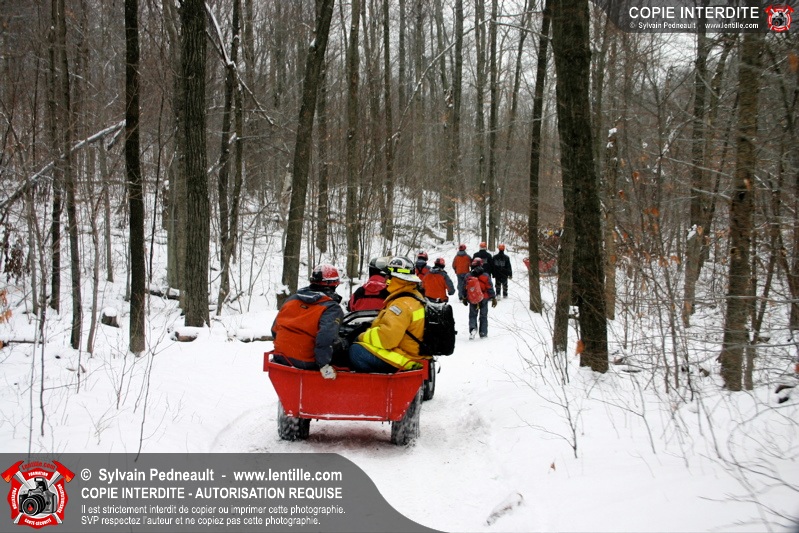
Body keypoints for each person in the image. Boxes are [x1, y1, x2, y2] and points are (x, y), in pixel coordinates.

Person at [348, 256, 430, 373]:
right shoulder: (414, 296)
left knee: (356, 350)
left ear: (394, 278)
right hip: (413, 352)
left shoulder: (401, 304)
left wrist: (361, 337)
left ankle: (377, 382)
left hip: (407, 358)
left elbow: (387, 339)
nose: (386, 279)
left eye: (388, 276)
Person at [271, 264, 344, 379]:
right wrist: (323, 365)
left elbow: (274, 329)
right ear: (334, 285)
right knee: (345, 345)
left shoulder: (292, 299)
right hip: (306, 361)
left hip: (281, 357)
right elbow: (325, 338)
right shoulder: (331, 308)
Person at [463, 257, 496, 339]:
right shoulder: (485, 275)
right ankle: (483, 333)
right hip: (484, 297)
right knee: (483, 316)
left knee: (472, 315)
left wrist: (464, 297)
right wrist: (493, 297)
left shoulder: (468, 276)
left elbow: (464, 288)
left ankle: (472, 329)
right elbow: (489, 287)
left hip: (472, 297)